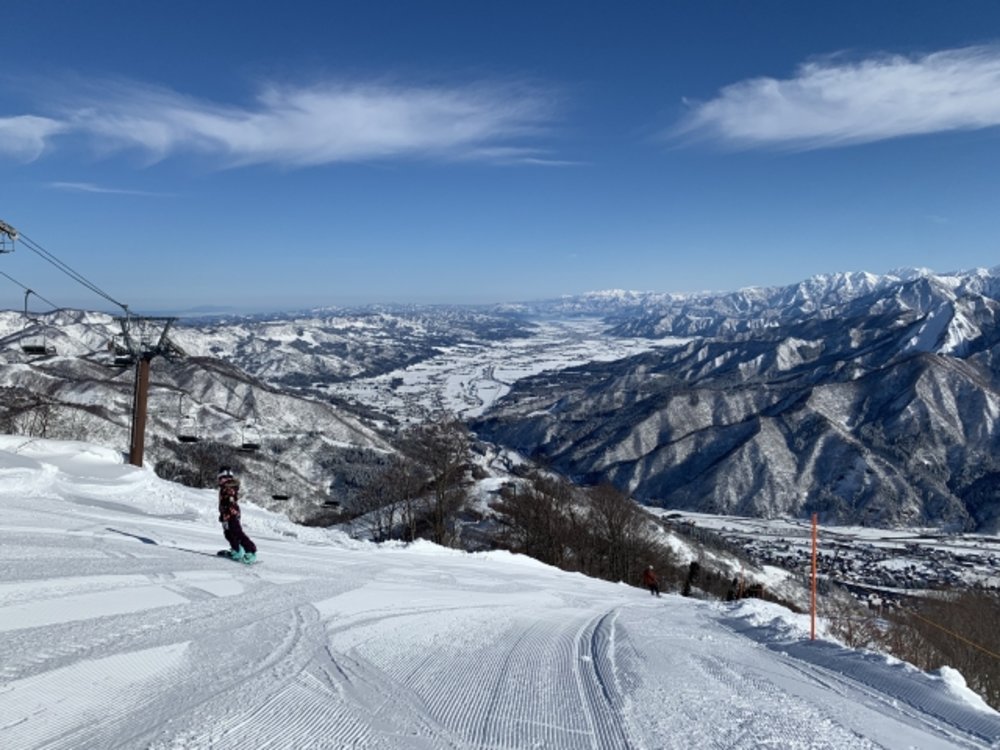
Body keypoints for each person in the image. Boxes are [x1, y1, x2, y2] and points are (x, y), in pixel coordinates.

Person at [217, 467, 257, 563]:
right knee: (228, 534)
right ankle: (237, 550)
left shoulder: (229, 487)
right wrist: (223, 514)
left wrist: (228, 511)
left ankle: (251, 551)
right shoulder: (224, 488)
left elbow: (231, 500)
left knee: (237, 533)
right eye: (220, 478)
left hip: (231, 514)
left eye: (223, 478)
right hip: (226, 515)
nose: (221, 480)